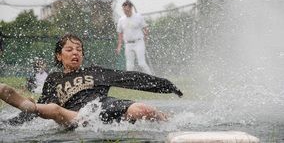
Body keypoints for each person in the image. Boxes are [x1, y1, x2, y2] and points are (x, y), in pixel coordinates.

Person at [2, 33, 183, 128]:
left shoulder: (95, 71)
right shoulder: (54, 79)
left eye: (79, 49)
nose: (75, 53)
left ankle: (172, 124)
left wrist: (166, 85)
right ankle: (24, 104)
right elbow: (42, 109)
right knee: (53, 109)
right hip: (74, 116)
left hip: (103, 107)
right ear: (59, 55)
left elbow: (131, 78)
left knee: (144, 109)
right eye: (70, 49)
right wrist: (12, 123)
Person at [116, 0, 152, 74]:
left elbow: (145, 28)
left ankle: (152, 78)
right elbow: (120, 33)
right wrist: (119, 46)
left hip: (138, 42)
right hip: (128, 44)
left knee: (141, 63)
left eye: (126, 9)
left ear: (131, 8)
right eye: (123, 10)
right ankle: (130, 82)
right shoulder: (121, 20)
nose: (125, 11)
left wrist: (146, 36)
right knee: (129, 66)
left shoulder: (138, 17)